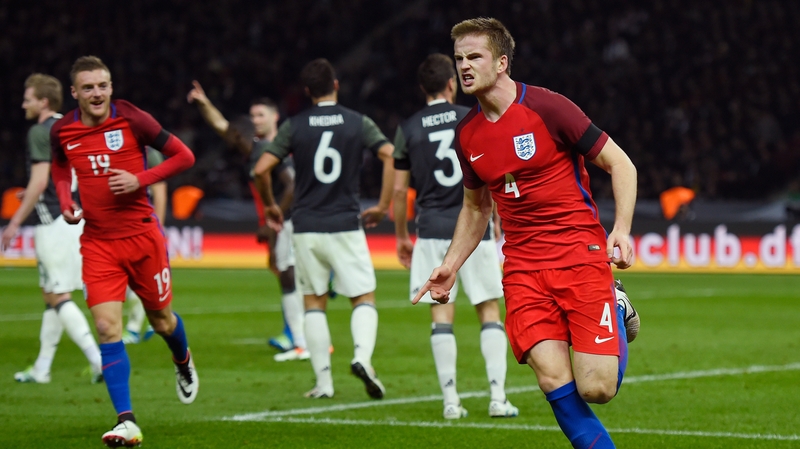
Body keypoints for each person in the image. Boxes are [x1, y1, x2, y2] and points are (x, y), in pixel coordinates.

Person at [412, 19, 640, 448]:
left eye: (474, 56)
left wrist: (621, 230)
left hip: (579, 255)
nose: (464, 66)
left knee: (597, 389)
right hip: (522, 270)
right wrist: (450, 265)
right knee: (553, 379)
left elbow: (621, 164)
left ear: (501, 63)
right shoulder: (467, 135)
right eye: (459, 58)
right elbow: (476, 207)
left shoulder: (548, 108)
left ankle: (616, 300)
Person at [50, 56, 197, 447]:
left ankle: (182, 359)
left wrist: (140, 179)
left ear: (111, 87)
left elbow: (185, 156)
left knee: (162, 321)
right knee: (106, 327)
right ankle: (126, 421)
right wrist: (66, 199)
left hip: (143, 238)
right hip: (98, 242)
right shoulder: (63, 130)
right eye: (88, 87)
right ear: (74, 93)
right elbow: (60, 166)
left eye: (102, 85)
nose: (96, 93)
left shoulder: (133, 119)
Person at [254, 58, 395, 399]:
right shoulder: (356, 122)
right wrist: (381, 204)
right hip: (345, 222)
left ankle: (324, 383)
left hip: (305, 227)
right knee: (363, 296)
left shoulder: (293, 126)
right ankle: (362, 358)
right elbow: (390, 155)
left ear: (307, 92)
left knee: (313, 303)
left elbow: (260, 169)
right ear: (336, 85)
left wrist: (271, 205)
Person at [393, 53, 518, 419]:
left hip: (431, 230)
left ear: (422, 89)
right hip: (473, 230)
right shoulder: (472, 117)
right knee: (489, 309)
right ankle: (498, 398)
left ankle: (451, 402)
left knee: (441, 313)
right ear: (451, 83)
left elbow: (400, 192)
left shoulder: (408, 128)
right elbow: (493, 173)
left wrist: (402, 234)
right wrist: (496, 217)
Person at [187, 83, 308, 360]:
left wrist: (273, 217)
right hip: (281, 221)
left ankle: (302, 339)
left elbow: (294, 185)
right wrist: (204, 101)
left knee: (291, 276)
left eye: (260, 115)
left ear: (275, 116)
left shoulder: (280, 148)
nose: (255, 121)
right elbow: (223, 127)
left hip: (291, 220)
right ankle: (298, 334)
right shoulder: (254, 146)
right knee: (283, 272)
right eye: (252, 117)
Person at [2, 73, 103, 385]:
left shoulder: (39, 131)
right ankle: (42, 368)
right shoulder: (71, 124)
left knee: (58, 295)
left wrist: (15, 221)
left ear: (43, 102)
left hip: (53, 223)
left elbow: (41, 179)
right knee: (52, 295)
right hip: (75, 215)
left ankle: (99, 361)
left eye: (28, 98)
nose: (23, 104)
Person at [121, 146, 165, 345]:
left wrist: (159, 227)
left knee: (140, 278)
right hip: (119, 225)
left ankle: (133, 327)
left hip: (142, 226)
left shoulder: (150, 154)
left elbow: (159, 190)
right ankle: (154, 320)